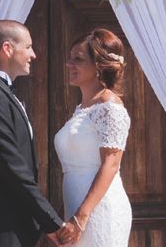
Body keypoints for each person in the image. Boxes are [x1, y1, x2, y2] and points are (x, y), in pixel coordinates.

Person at [0, 19, 78, 247]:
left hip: (12, 223)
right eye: (28, 47)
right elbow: (11, 165)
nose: (33, 54)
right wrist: (52, 222)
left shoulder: (0, 92)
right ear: (7, 49)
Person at [54, 28, 132, 246]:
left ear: (99, 66)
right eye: (70, 58)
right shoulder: (82, 109)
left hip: (99, 210)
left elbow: (111, 164)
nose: (69, 64)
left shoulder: (110, 105)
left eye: (78, 59)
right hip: (75, 206)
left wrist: (82, 217)